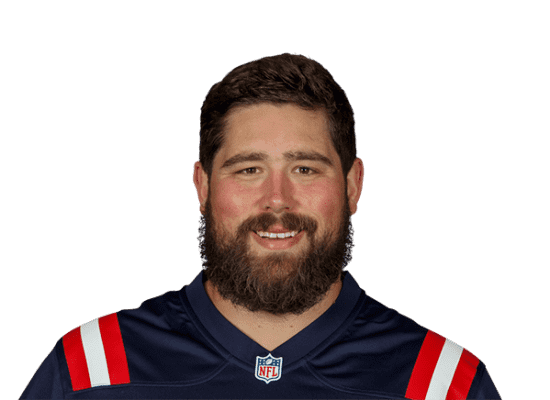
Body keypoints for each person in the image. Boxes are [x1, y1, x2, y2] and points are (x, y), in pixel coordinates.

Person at [20, 53, 502, 400]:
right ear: (202, 185)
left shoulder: (442, 383)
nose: (277, 200)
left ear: (353, 186)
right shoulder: (91, 370)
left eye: (305, 169)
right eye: (248, 169)